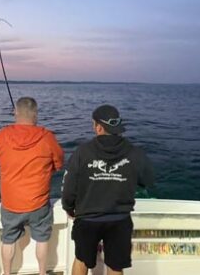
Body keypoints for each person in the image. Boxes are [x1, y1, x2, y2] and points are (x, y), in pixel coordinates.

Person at [62, 104, 155, 275]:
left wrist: (68, 207)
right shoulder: (135, 153)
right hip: (120, 219)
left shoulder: (82, 152)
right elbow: (148, 180)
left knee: (82, 260)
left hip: (87, 219)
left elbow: (69, 188)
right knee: (115, 266)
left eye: (93, 124)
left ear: (98, 127)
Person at [0, 97, 64, 275]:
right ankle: (41, 272)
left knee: (8, 239)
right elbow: (59, 163)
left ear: (15, 112)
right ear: (36, 114)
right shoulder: (48, 137)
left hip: (10, 203)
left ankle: (7, 273)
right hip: (38, 204)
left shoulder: (2, 135)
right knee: (42, 239)